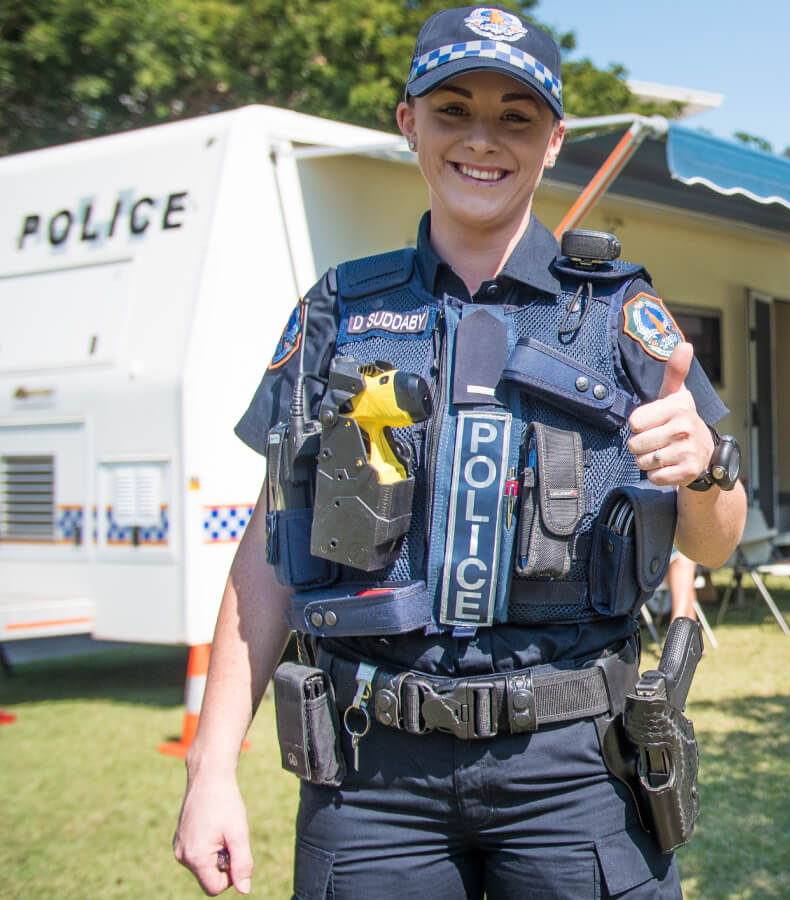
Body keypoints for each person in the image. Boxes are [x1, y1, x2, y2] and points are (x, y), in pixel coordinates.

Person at [172, 7, 746, 896]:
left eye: (516, 117)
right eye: (453, 110)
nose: (484, 140)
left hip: (573, 768)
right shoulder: (339, 313)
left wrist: (707, 467)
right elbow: (268, 555)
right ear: (409, 124)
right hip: (372, 774)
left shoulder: (618, 314)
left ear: (554, 141)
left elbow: (712, 542)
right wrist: (209, 770)